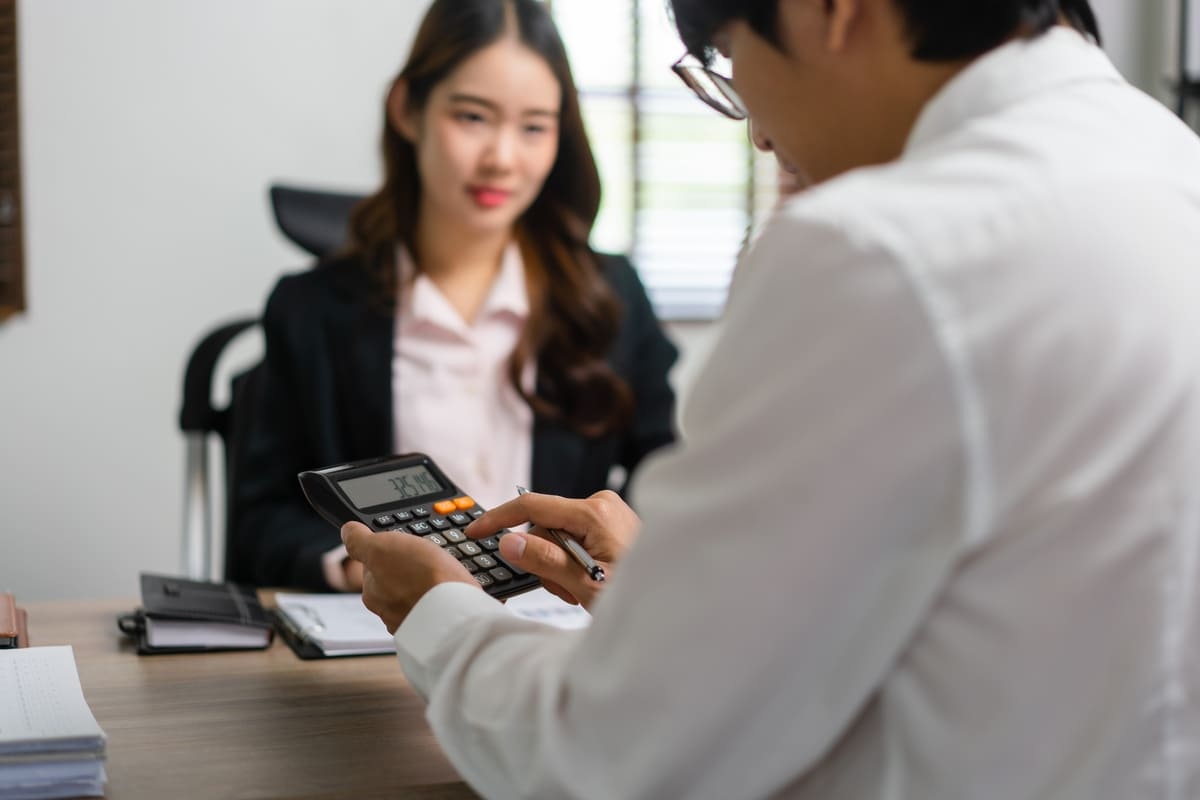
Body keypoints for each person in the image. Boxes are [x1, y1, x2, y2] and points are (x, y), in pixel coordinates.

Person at [343, 0, 1200, 797]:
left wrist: (437, 614)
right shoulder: (1169, 160)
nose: (757, 135)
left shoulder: (877, 250)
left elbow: (616, 758)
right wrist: (679, 598)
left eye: (726, 55)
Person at [232, 0, 678, 592]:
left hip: (559, 636)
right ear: (407, 109)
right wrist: (356, 565)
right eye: (473, 117)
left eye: (535, 127)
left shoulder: (610, 296)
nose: (502, 159)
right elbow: (260, 525)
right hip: (391, 640)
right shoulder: (312, 310)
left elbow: (666, 477)